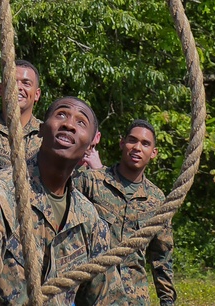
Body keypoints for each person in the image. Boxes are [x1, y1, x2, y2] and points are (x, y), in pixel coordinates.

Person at [0, 96, 122, 304]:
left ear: (92, 142)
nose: (69, 124)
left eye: (81, 122)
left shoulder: (90, 221)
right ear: (41, 130)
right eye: (61, 114)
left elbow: (108, 299)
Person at [76, 121, 175, 304]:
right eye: (132, 141)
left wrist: (167, 301)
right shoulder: (91, 183)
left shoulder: (157, 200)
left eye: (145, 144)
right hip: (93, 296)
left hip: (134, 298)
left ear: (153, 153)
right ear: (122, 143)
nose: (137, 148)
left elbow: (162, 257)